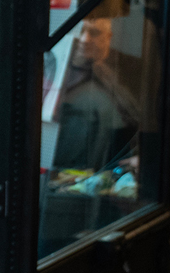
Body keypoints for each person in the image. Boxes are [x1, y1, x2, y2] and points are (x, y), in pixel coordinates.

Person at [49, 14, 140, 171]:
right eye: (79, 31)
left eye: (95, 33)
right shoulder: (48, 72)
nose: (85, 39)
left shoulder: (129, 74)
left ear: (108, 38)